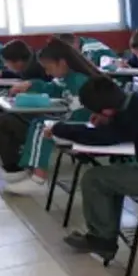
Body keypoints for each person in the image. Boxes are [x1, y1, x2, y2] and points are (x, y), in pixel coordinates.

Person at [52, 77, 138, 260]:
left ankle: (102, 240)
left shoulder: (134, 115)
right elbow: (119, 130)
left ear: (107, 110)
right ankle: (105, 234)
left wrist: (57, 128)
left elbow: (100, 138)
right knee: (111, 174)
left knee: (94, 179)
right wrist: (108, 121)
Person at [0, 38, 101, 193]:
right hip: (75, 121)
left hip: (86, 125)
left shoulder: (79, 81)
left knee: (43, 125)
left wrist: (58, 122)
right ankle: (28, 170)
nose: (47, 72)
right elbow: (51, 88)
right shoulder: (66, 78)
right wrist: (31, 84)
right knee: (39, 123)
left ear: (62, 63)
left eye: (48, 68)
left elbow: (80, 114)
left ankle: (38, 179)